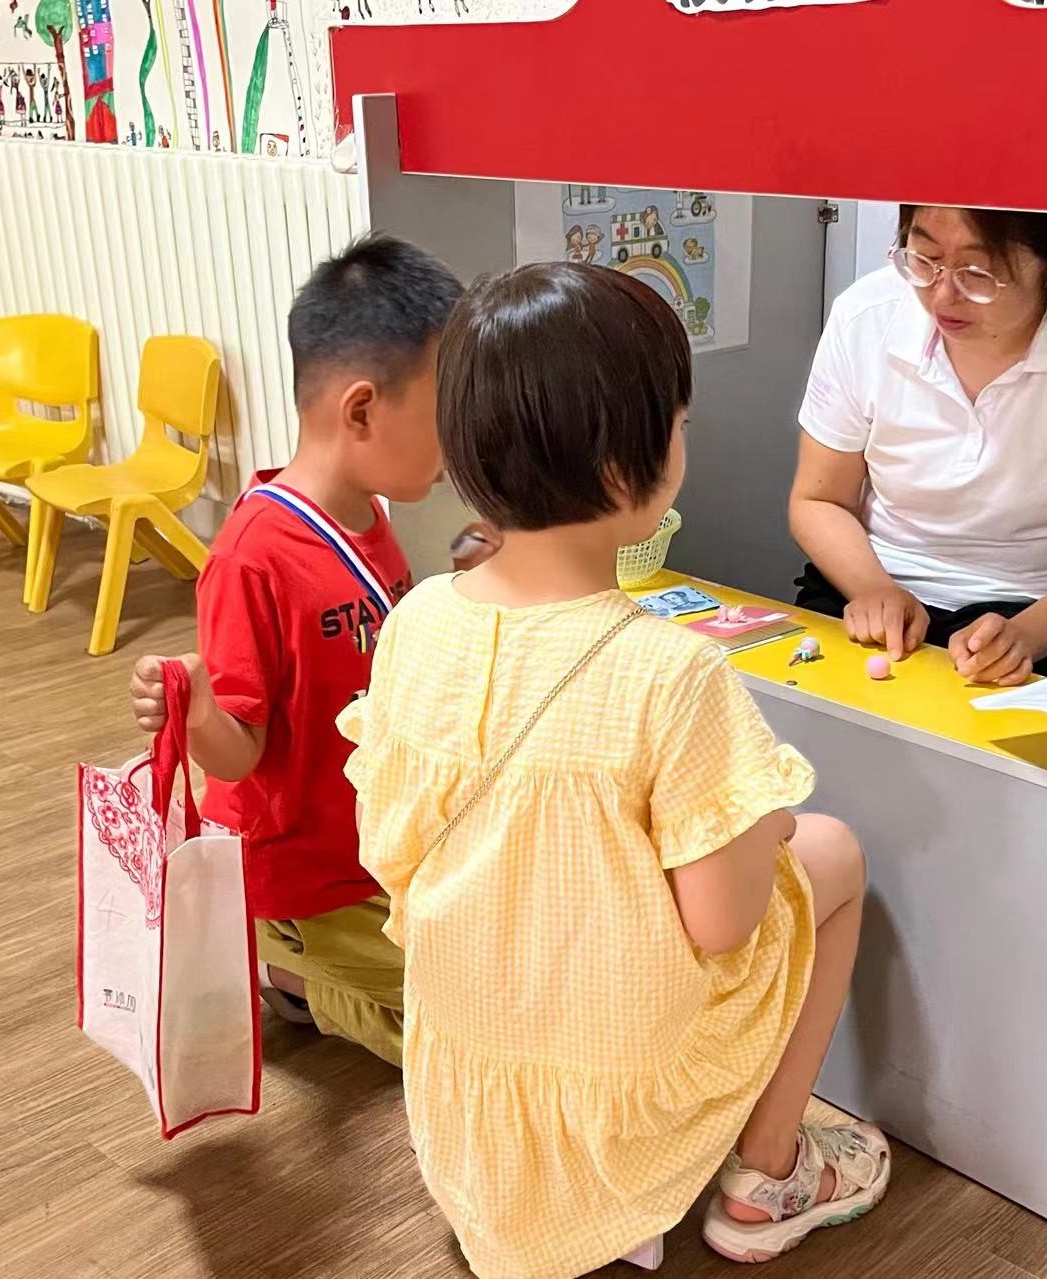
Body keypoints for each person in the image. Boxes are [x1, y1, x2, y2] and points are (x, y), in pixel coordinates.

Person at [340, 262, 886, 1278]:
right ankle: (768, 1173)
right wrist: (764, 826)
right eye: (676, 423)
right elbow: (721, 924)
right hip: (619, 1079)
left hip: (465, 1077)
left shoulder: (415, 621)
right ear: (628, 461)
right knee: (833, 853)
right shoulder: (670, 672)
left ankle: (571, 1201)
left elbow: (390, 847)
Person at [126, 234, 465, 1066]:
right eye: (445, 412)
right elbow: (238, 756)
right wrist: (198, 712)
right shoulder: (253, 557)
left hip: (373, 849)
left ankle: (300, 969)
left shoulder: (370, 517)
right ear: (361, 411)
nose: (461, 437)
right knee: (460, 1025)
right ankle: (283, 969)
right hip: (304, 880)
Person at [789, 205, 1047, 684]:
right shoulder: (867, 315)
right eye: (924, 258)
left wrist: (1027, 636)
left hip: (1042, 607)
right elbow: (819, 499)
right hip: (877, 580)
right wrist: (872, 589)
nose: (942, 294)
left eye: (977, 273)